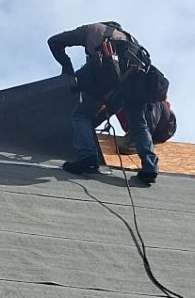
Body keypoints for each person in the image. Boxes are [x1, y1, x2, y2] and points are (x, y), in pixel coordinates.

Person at [48, 21, 166, 186]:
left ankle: (87, 156)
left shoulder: (90, 29)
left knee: (82, 115)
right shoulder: (129, 38)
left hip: (110, 78)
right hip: (134, 80)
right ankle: (150, 167)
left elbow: (54, 41)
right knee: (139, 123)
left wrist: (68, 70)